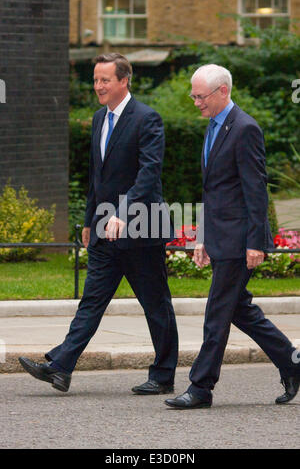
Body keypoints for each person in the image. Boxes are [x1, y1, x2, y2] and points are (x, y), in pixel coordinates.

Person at [19, 53, 178, 395]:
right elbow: (97, 175)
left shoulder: (147, 118)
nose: (98, 86)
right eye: (95, 80)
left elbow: (149, 174)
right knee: (91, 300)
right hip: (105, 227)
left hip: (141, 226)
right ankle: (60, 368)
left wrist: (122, 212)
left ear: (124, 81)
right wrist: (92, 218)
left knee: (156, 305)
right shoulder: (98, 119)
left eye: (105, 80)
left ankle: (164, 375)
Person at [165, 64, 300, 409]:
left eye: (200, 96)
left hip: (241, 240)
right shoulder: (212, 128)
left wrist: (256, 242)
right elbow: (214, 191)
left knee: (217, 312)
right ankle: (293, 363)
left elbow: (255, 190)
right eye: (193, 96)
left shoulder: (244, 129)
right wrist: (202, 236)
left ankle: (201, 387)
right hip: (222, 236)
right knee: (239, 309)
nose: (196, 102)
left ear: (222, 91)